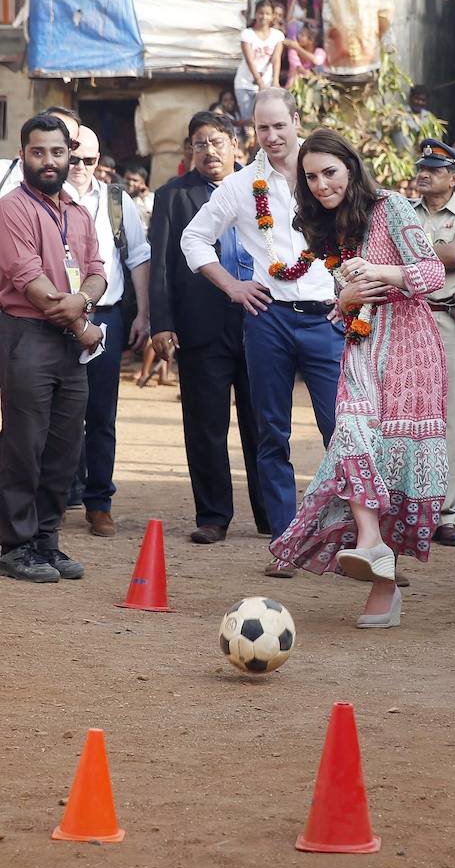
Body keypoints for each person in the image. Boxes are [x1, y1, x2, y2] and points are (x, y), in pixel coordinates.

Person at [271, 128, 447, 626]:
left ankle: (383, 590)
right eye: (311, 177)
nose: (322, 184)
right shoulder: (328, 226)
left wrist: (379, 272)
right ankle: (370, 542)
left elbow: (432, 274)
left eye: (329, 172)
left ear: (350, 167)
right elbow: (345, 299)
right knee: (350, 433)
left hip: (410, 349)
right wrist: (345, 298)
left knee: (391, 462)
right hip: (362, 345)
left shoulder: (391, 207)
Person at [181, 88, 343, 577]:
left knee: (342, 430)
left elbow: (363, 229)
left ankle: (354, 539)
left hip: (329, 319)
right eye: (262, 128)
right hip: (268, 318)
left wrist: (351, 291)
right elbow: (194, 238)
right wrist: (232, 286)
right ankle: (286, 543)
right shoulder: (241, 184)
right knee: (271, 433)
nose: (271, 137)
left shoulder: (327, 172)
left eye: (279, 126)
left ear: (296, 121)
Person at [149, 111, 269, 544]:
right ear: (190, 150)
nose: (209, 151)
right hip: (200, 325)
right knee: (205, 426)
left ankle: (272, 514)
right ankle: (213, 516)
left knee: (264, 424)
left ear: (236, 145)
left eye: (216, 142)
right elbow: (162, 263)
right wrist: (161, 323)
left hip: (261, 320)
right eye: (199, 144)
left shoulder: (263, 187)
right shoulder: (173, 196)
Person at [0, 115, 106, 583]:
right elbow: (33, 284)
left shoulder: (78, 213)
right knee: (24, 444)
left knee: (64, 447)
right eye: (38, 152)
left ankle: (46, 540)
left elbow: (98, 271)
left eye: (57, 152)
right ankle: (15, 545)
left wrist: (82, 303)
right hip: (27, 336)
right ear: (23, 155)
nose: (49, 161)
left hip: (69, 345)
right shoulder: (11, 209)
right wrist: (83, 324)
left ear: (69, 156)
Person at [66, 126, 151, 538]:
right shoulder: (44, 200)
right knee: (53, 412)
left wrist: (144, 314)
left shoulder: (117, 201)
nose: (80, 167)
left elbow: (138, 257)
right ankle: (52, 497)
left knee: (101, 414)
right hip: (53, 318)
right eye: (74, 158)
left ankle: (99, 503)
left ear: (99, 161)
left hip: (106, 317)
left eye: (89, 160)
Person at [412, 139, 455, 547]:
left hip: (450, 320)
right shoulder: (405, 210)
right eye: (421, 167)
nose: (423, 174)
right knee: (406, 415)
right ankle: (408, 509)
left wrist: (414, 251)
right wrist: (436, 251)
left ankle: (444, 513)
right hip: (407, 318)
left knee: (451, 418)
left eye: (434, 170)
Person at [0, 106, 81, 199]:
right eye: (53, 128)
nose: (49, 161)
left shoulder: (71, 195)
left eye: (69, 142)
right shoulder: (2, 171)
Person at [234, 0, 284, 122]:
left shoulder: (277, 36)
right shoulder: (247, 34)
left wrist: (275, 81)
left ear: (272, 16)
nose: (264, 17)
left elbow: (276, 59)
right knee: (249, 122)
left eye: (267, 14)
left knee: (266, 121)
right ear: (256, 14)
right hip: (245, 84)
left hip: (267, 85)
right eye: (261, 13)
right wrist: (260, 82)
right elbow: (250, 60)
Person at [123, 163, 154, 230]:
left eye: (135, 180)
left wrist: (143, 199)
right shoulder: (118, 196)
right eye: (128, 179)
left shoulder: (151, 199)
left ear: (143, 182)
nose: (130, 183)